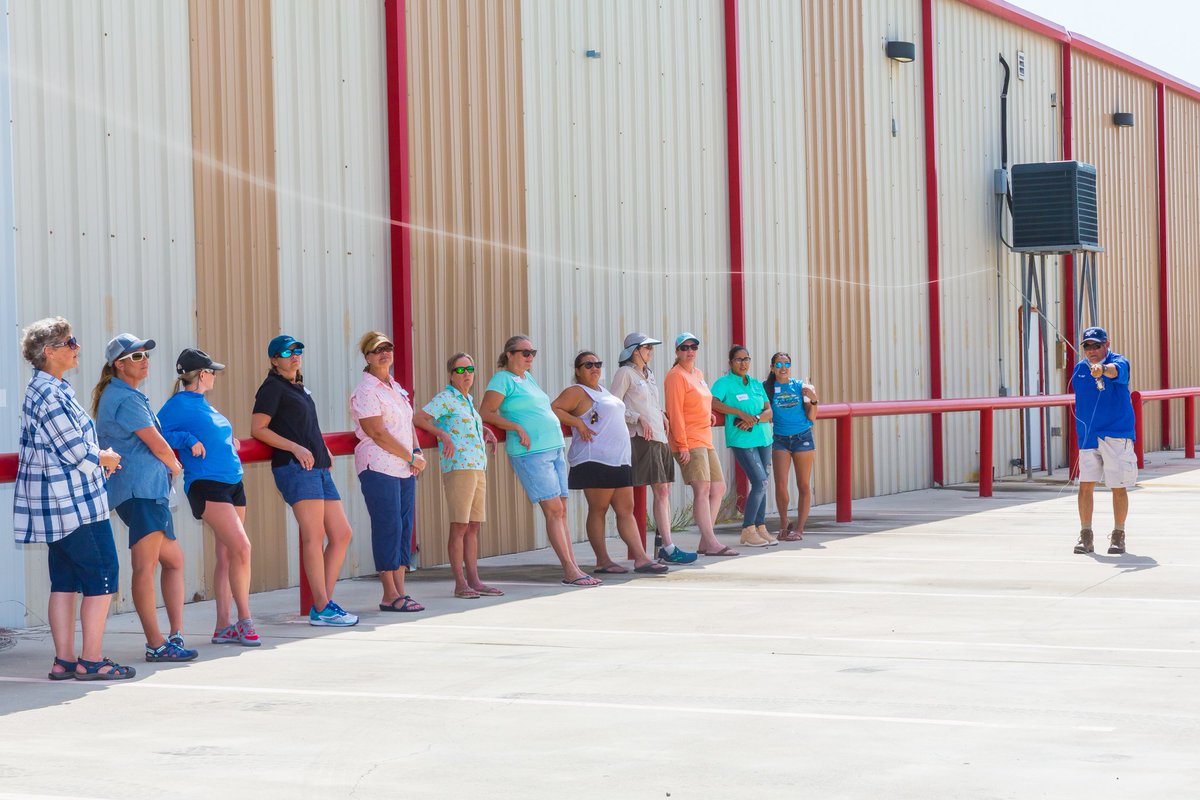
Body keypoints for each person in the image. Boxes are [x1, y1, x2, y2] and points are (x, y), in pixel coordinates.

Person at [14, 318, 133, 680]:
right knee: (103, 577)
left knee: (64, 581)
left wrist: (98, 457)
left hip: (62, 506)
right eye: (70, 342)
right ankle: (91, 659)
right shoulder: (49, 393)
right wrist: (106, 458)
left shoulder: (50, 389)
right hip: (74, 505)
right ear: (49, 352)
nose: (77, 347)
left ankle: (65, 660)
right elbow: (72, 448)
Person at [93, 333, 199, 663]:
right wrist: (174, 465)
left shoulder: (128, 395)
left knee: (174, 560)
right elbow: (155, 443)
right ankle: (156, 643)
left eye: (146, 355)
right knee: (145, 566)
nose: (145, 361)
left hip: (148, 491)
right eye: (137, 357)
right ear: (119, 365)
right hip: (141, 491)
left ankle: (175, 633)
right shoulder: (125, 398)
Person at [252, 335, 358, 626]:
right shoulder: (272, 388)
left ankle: (323, 603)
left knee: (342, 533)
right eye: (286, 352)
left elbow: (306, 425)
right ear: (274, 359)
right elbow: (258, 428)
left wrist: (322, 447)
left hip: (319, 466)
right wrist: (295, 447)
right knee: (313, 536)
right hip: (295, 467)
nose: (294, 355)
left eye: (298, 350)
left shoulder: (298, 386)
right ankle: (322, 607)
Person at [157, 348, 259, 646]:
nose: (215, 375)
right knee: (242, 548)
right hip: (207, 485)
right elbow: (155, 433)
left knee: (227, 554)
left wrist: (229, 441)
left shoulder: (203, 404)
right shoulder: (177, 404)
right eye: (212, 371)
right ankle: (244, 620)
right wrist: (187, 440)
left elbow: (213, 433)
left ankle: (223, 626)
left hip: (232, 483)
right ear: (202, 375)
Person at [480, 334, 599, 587]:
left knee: (562, 510)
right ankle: (569, 570)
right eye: (524, 352)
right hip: (530, 453)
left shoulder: (528, 378)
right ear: (509, 354)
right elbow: (486, 412)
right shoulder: (502, 379)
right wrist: (514, 427)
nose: (530, 357)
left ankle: (575, 566)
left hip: (553, 448)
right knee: (554, 510)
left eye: (533, 352)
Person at [552, 351, 669, 575]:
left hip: (619, 459)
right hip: (595, 458)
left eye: (597, 363)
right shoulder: (576, 391)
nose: (594, 368)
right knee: (599, 508)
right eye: (588, 365)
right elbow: (554, 408)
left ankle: (641, 559)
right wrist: (578, 422)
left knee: (627, 509)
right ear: (577, 370)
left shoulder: (603, 392)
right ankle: (603, 561)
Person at [414, 352, 503, 599]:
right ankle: (460, 582)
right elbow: (419, 418)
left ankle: (474, 580)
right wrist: (441, 434)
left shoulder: (468, 401)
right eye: (461, 370)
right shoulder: (446, 398)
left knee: (474, 525)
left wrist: (483, 428)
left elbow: (462, 423)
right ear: (452, 374)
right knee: (460, 525)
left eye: (470, 369)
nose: (466, 375)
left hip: (477, 465)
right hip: (459, 466)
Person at [350, 331, 427, 613]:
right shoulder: (366, 391)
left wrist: (416, 453)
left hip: (404, 466)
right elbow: (377, 433)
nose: (384, 353)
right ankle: (388, 593)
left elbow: (407, 425)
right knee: (388, 526)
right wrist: (410, 455)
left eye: (388, 348)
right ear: (367, 357)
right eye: (377, 349)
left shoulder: (395, 387)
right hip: (379, 465)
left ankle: (401, 590)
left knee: (404, 526)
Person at [610, 332, 697, 565]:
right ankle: (666, 547)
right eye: (647, 348)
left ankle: (665, 546)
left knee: (664, 490)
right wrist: (637, 418)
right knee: (657, 490)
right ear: (634, 350)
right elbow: (613, 406)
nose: (651, 352)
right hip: (640, 439)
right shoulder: (624, 373)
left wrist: (660, 415)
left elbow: (651, 403)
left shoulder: (649, 374)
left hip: (659, 438)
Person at [664, 332, 736, 557]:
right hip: (689, 439)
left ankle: (706, 541)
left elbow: (701, 400)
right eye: (684, 348)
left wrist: (708, 415)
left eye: (693, 347)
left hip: (704, 437)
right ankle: (712, 542)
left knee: (718, 487)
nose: (689, 351)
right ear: (677, 352)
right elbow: (675, 412)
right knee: (702, 488)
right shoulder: (675, 376)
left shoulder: (697, 373)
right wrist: (682, 445)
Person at [1071, 326, 1136, 555]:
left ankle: (1118, 534)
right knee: (1085, 485)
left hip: (1116, 435)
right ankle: (1086, 534)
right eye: (1087, 346)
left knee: (1118, 486)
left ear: (1106, 344)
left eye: (1096, 345)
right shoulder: (1079, 369)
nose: (1091, 350)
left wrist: (1103, 370)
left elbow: (1116, 371)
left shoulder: (1119, 362)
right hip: (1089, 438)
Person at [711, 345, 776, 548]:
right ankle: (748, 530)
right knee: (760, 482)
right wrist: (739, 413)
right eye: (739, 359)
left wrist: (754, 419)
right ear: (731, 363)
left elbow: (768, 412)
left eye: (746, 359)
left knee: (763, 483)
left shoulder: (756, 384)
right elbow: (713, 402)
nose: (743, 363)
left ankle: (760, 527)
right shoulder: (724, 383)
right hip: (742, 439)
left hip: (763, 438)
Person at [765, 353, 818, 542]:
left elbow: (812, 417)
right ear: (772, 368)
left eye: (787, 364)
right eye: (778, 364)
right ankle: (783, 524)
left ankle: (800, 529)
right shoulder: (768, 388)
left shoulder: (800, 387)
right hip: (780, 439)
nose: (783, 368)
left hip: (802, 437)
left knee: (803, 484)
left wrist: (813, 400)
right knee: (781, 484)